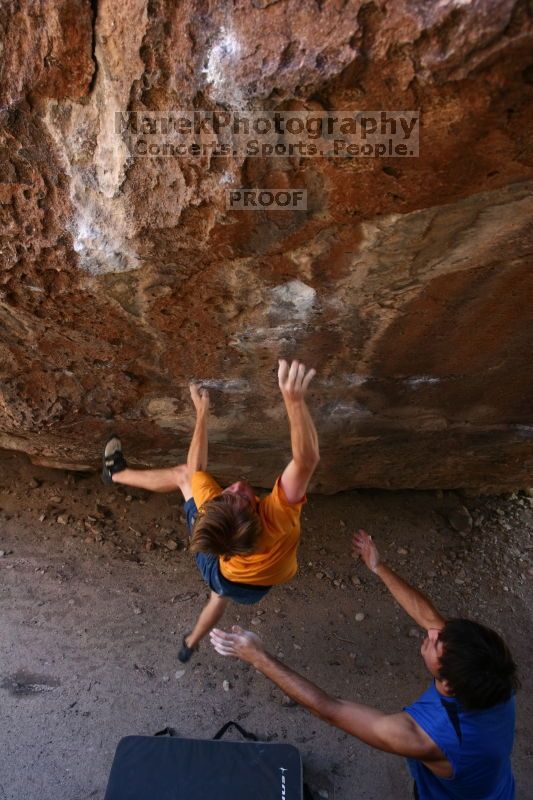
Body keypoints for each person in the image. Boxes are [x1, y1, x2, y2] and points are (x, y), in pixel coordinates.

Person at [210, 530, 519, 800]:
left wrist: (258, 657)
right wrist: (377, 566)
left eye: (437, 642)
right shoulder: (491, 674)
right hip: (495, 786)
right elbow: (430, 618)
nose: (433, 631)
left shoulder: (424, 736)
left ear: (449, 684)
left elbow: (330, 708)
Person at [101, 358, 320, 663]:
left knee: (184, 479)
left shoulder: (215, 509)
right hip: (260, 586)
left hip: (226, 574)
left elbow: (195, 470)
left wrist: (202, 413)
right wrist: (294, 402)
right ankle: (189, 643)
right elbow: (306, 461)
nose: (239, 485)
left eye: (232, 494)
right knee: (218, 597)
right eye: (237, 495)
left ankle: (115, 474)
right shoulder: (278, 521)